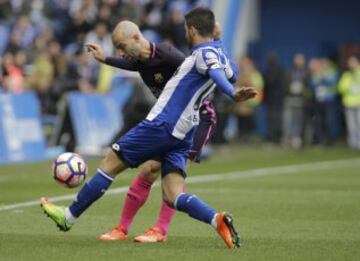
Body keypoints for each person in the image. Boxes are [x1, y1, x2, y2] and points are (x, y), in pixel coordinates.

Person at [40, 7, 257, 249]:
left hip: (163, 123)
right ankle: (216, 219)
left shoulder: (197, 54)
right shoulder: (218, 51)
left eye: (186, 29)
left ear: (193, 29)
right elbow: (226, 72)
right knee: (172, 195)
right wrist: (217, 43)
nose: (184, 33)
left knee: (110, 162)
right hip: (184, 132)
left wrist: (231, 94)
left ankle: (68, 217)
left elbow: (214, 71)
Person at [86, 21, 236, 243]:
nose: (121, 52)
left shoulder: (168, 55)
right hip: (170, 121)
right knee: (148, 170)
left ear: (136, 37)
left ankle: (160, 229)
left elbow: (198, 68)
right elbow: (134, 66)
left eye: (121, 46)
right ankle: (122, 228)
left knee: (171, 173)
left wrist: (216, 46)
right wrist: (105, 59)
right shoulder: (143, 60)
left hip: (198, 119)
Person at [338, 55, 360, 150]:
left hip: (359, 103)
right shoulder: (346, 75)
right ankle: (354, 144)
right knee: (351, 125)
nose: (351, 64)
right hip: (349, 104)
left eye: (353, 62)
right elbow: (340, 87)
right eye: (349, 62)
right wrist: (349, 88)